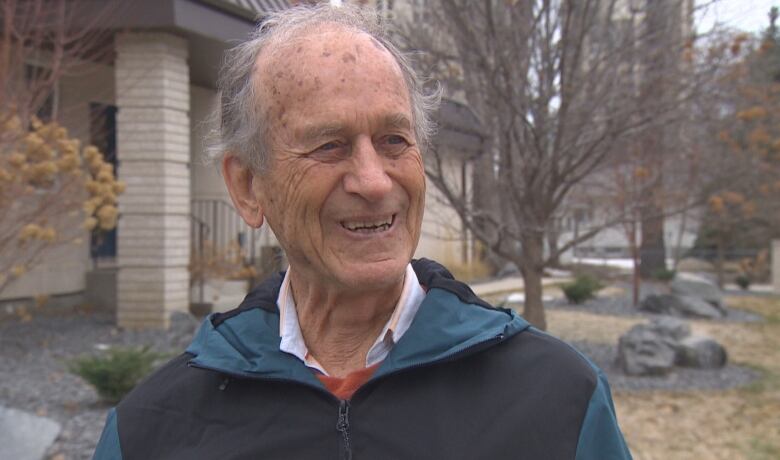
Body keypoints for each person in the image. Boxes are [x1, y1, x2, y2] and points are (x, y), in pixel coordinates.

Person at [93, 4, 632, 459]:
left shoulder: (559, 399)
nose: (374, 182)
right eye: (329, 145)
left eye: (395, 140)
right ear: (248, 187)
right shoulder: (150, 433)